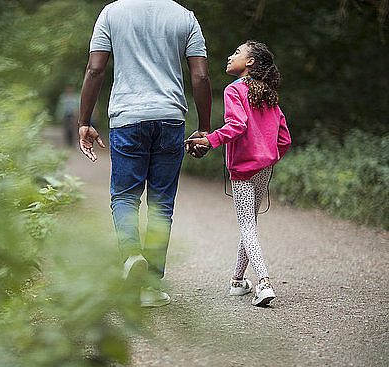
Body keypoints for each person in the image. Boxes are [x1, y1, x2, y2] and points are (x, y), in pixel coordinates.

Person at [77, 0, 212, 307]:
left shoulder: (111, 13)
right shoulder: (185, 17)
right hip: (171, 118)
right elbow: (201, 77)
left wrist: (85, 121)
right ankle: (151, 285)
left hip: (128, 118)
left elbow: (95, 69)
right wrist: (204, 127)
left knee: (125, 196)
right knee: (161, 203)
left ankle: (131, 255)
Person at [186, 40, 291, 306]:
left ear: (251, 62)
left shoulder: (234, 90)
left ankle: (264, 282)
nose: (230, 56)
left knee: (247, 225)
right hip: (265, 167)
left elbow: (237, 126)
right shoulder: (267, 94)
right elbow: (284, 138)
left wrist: (210, 141)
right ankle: (237, 281)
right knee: (250, 224)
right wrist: (269, 155)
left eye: (237, 53)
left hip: (243, 169)